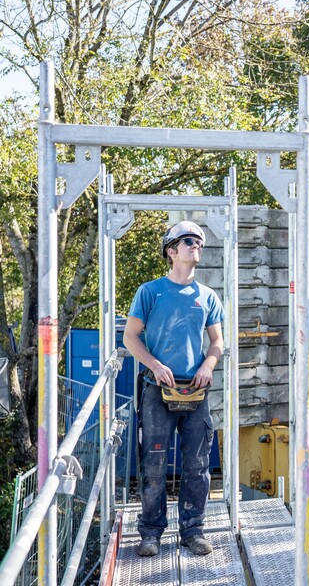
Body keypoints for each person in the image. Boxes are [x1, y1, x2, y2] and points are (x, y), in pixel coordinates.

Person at [123, 220, 224, 556]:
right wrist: (155, 365)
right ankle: (150, 533)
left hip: (195, 390)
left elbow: (217, 342)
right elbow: (130, 336)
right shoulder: (150, 292)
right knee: (152, 463)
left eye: (199, 241)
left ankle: (193, 531)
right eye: (188, 241)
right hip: (157, 388)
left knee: (197, 464)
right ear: (171, 251)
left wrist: (208, 365)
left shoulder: (207, 296)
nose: (196, 245)